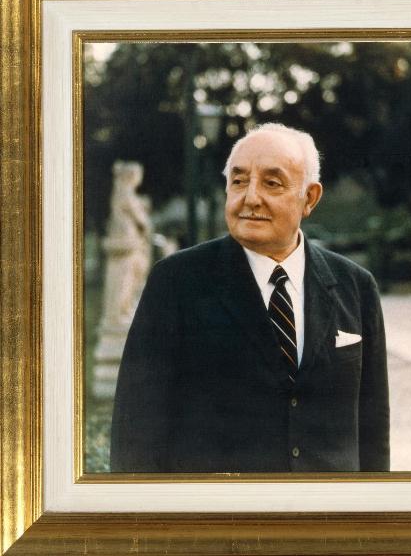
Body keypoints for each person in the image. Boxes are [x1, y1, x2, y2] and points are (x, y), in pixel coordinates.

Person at [110, 123, 389, 473]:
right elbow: (135, 432)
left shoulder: (356, 287)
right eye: (239, 181)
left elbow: (373, 432)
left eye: (272, 183)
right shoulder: (175, 283)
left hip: (327, 506)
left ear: (310, 198)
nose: (251, 198)